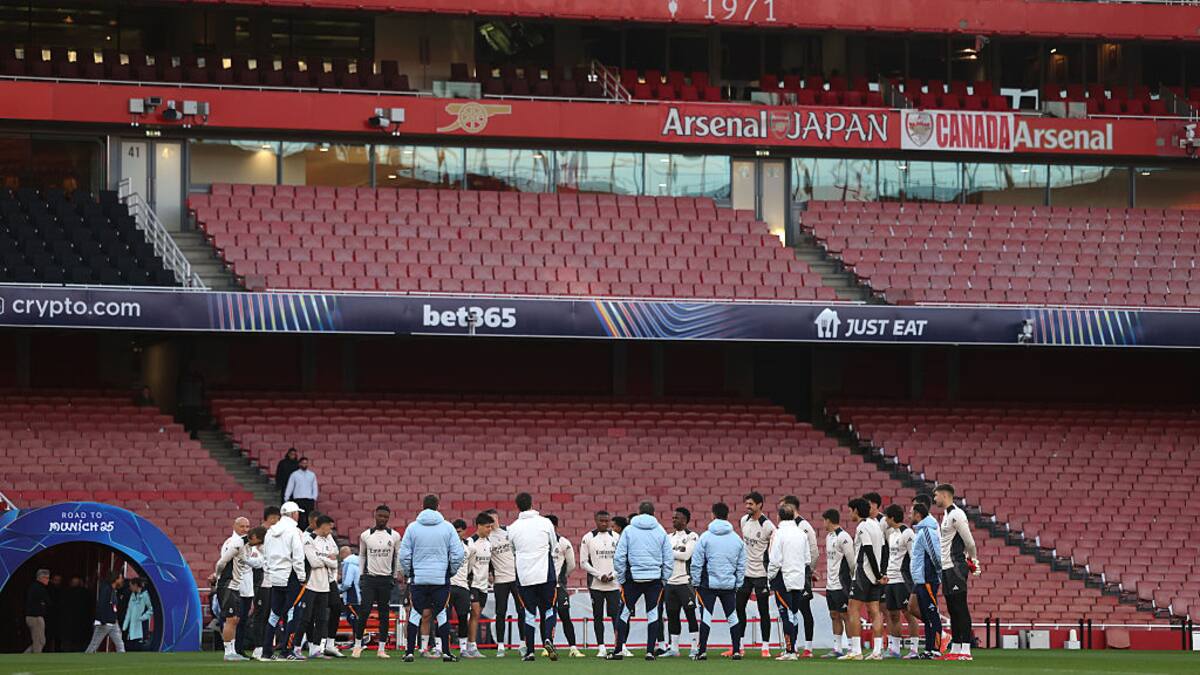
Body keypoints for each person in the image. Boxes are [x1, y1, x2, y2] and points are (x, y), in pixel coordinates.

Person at [399, 494, 464, 663]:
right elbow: (458, 554)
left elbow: (404, 555)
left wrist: (411, 572)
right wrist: (450, 571)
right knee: (441, 613)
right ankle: (446, 653)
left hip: (419, 579)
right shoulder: (447, 527)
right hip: (440, 579)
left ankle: (409, 652)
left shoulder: (413, 528)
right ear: (437, 506)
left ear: (423, 506)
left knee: (415, 613)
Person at [610, 501, 672, 661]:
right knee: (653, 615)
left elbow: (619, 556)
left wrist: (622, 577)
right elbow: (668, 558)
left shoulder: (629, 530)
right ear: (653, 513)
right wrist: (664, 578)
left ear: (638, 513)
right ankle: (650, 651)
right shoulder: (660, 531)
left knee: (623, 613)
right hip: (654, 580)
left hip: (632, 579)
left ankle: (618, 650)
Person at [507, 492, 559, 662]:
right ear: (531, 503)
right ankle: (548, 639)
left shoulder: (513, 527)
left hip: (524, 575)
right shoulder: (545, 522)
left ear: (517, 506)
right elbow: (554, 545)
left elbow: (513, 550)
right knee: (549, 609)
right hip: (545, 573)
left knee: (529, 613)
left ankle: (530, 651)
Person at [690, 502, 746, 661]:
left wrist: (695, 581)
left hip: (707, 585)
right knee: (732, 617)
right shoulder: (737, 539)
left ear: (713, 515)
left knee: (706, 616)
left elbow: (697, 563)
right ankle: (736, 650)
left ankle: (702, 651)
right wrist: (738, 582)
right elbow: (742, 564)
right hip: (729, 585)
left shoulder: (705, 537)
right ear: (727, 516)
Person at [352, 504, 403, 659]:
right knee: (365, 611)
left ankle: (381, 648)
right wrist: (361, 574)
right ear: (375, 515)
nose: (382, 519)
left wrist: (395, 575)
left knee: (384, 614)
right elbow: (361, 555)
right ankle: (357, 645)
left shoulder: (394, 536)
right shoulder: (365, 535)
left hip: (386, 579)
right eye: (380, 516)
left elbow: (397, 556)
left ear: (389, 518)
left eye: (385, 517)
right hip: (369, 578)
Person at [935, 483, 979, 661]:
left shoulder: (957, 514)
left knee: (960, 607)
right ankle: (957, 648)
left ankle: (966, 650)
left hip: (955, 566)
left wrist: (973, 560)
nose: (935, 499)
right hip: (946, 567)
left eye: (936, 495)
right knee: (953, 608)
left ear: (945, 495)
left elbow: (969, 541)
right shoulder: (946, 515)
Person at [261, 501, 307, 661]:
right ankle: (286, 651)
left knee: (274, 614)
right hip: (291, 575)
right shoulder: (294, 532)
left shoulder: (270, 532)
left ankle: (266, 651)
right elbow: (298, 556)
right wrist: (302, 577)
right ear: (294, 514)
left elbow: (265, 557)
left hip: (275, 577)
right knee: (293, 613)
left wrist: (270, 573)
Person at [840, 497, 884, 661]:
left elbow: (868, 550)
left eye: (850, 510)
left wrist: (876, 574)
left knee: (853, 609)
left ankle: (856, 650)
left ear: (856, 511)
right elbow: (883, 550)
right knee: (875, 611)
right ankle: (877, 651)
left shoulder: (862, 527)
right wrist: (880, 574)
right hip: (875, 574)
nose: (849, 513)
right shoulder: (876, 525)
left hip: (864, 573)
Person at [766, 504, 811, 661]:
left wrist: (770, 576)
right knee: (794, 613)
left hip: (782, 579)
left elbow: (775, 559)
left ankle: (790, 651)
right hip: (798, 579)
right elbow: (807, 559)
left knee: (786, 615)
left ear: (778, 517)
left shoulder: (778, 534)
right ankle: (794, 649)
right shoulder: (802, 534)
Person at [734, 491, 775, 658]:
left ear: (759, 505)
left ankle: (765, 646)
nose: (747, 507)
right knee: (739, 608)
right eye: (746, 504)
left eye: (750, 504)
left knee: (763, 611)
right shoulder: (744, 520)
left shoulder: (768, 526)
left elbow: (773, 550)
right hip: (745, 573)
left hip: (761, 574)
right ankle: (740, 645)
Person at [777, 495, 818, 658]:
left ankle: (808, 647)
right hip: (791, 573)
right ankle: (791, 646)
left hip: (800, 573)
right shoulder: (788, 527)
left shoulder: (804, 526)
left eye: (782, 507)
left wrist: (809, 571)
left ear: (790, 508)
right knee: (793, 610)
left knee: (804, 610)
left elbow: (813, 550)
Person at [578, 510, 621, 657]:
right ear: (595, 520)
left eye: (606, 521)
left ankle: (619, 646)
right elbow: (583, 562)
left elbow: (622, 560)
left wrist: (613, 575)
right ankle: (601, 646)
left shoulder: (616, 537)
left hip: (613, 584)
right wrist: (599, 575)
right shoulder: (588, 538)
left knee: (616, 616)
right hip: (596, 585)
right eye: (601, 521)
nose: (604, 523)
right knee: (598, 616)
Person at [212, 517, 255, 661]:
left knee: (235, 619)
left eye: (247, 526)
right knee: (231, 619)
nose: (245, 529)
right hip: (229, 585)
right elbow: (222, 562)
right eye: (242, 526)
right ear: (234, 526)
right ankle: (228, 652)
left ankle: (233, 651)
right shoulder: (232, 543)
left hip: (236, 586)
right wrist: (218, 576)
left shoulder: (246, 544)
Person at [484, 507, 524, 657]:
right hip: (500, 580)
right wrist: (490, 573)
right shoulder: (488, 539)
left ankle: (522, 643)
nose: (494, 523)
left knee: (522, 610)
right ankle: (500, 645)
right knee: (500, 612)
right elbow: (486, 558)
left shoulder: (508, 532)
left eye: (495, 519)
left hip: (516, 578)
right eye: (491, 520)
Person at [883, 504, 920, 659]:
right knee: (892, 614)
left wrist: (914, 580)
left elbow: (914, 557)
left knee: (908, 613)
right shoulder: (891, 534)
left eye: (886, 517)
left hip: (902, 579)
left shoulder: (908, 533)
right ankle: (895, 649)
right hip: (890, 579)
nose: (885, 519)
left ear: (892, 518)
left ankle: (914, 649)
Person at [661, 506, 698, 658]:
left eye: (677, 517)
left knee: (690, 614)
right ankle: (674, 648)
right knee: (672, 615)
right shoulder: (668, 537)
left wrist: (668, 553)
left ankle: (694, 647)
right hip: (670, 583)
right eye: (673, 517)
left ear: (685, 520)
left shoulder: (692, 536)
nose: (674, 520)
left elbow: (686, 555)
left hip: (685, 582)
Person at [304, 514, 342, 659]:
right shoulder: (307, 537)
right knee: (311, 613)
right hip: (313, 580)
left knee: (336, 606)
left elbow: (335, 553)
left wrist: (325, 558)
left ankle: (329, 644)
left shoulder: (328, 536)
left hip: (328, 578)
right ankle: (312, 644)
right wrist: (327, 559)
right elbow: (315, 560)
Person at [546, 515, 584, 658]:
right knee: (548, 615)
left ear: (555, 527)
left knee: (565, 616)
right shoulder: (540, 543)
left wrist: (562, 578)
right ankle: (547, 645)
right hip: (545, 587)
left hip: (558, 586)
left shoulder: (563, 543)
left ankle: (573, 648)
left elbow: (572, 565)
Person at [909, 501, 943, 659]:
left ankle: (936, 648)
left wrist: (938, 574)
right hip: (921, 579)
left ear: (918, 514)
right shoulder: (920, 531)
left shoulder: (927, 531)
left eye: (911, 512)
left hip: (928, 578)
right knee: (927, 616)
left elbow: (936, 555)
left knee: (932, 613)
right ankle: (929, 649)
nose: (910, 515)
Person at [461, 512, 494, 658]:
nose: (489, 530)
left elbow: (490, 563)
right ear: (479, 526)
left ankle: (470, 644)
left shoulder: (489, 543)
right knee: (474, 612)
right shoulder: (469, 542)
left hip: (484, 585)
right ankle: (471, 646)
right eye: (487, 527)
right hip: (472, 584)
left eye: (491, 527)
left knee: (477, 615)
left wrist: (491, 575)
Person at [822, 509, 854, 659]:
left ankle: (851, 648)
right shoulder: (829, 537)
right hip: (830, 585)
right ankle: (837, 648)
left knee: (845, 615)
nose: (823, 524)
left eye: (824, 521)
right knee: (834, 615)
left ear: (828, 520)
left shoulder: (844, 537)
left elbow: (852, 561)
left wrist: (852, 580)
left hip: (842, 584)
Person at [250, 506, 281, 659]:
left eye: (277, 518)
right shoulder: (256, 545)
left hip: (273, 583)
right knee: (260, 615)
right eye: (273, 518)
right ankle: (258, 647)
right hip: (261, 584)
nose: (276, 521)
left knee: (271, 615)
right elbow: (257, 563)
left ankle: (268, 647)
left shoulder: (275, 540)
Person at [85, 572, 126, 653]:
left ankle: (122, 660)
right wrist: (102, 620)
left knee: (120, 644)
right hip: (105, 622)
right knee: (94, 644)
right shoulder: (106, 589)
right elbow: (101, 605)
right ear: (115, 579)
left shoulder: (113, 590)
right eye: (120, 578)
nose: (122, 580)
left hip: (113, 622)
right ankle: (85, 658)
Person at [121, 578, 153, 651]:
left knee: (139, 647)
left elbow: (151, 609)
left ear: (135, 585)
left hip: (141, 626)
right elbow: (129, 611)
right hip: (132, 627)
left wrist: (142, 618)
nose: (130, 588)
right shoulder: (132, 595)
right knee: (130, 646)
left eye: (131, 586)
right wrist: (124, 626)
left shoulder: (145, 595)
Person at [25, 568, 50, 653]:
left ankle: (24, 657)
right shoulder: (38, 588)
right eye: (46, 578)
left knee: (41, 641)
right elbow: (46, 601)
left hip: (35, 616)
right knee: (38, 641)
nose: (48, 580)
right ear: (41, 578)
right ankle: (36, 658)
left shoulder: (36, 587)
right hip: (35, 617)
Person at [338, 546, 360, 633]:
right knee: (357, 618)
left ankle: (359, 642)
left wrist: (339, 590)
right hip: (360, 595)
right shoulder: (359, 563)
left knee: (352, 618)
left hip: (352, 597)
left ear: (343, 554)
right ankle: (359, 641)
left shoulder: (348, 564)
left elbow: (347, 583)